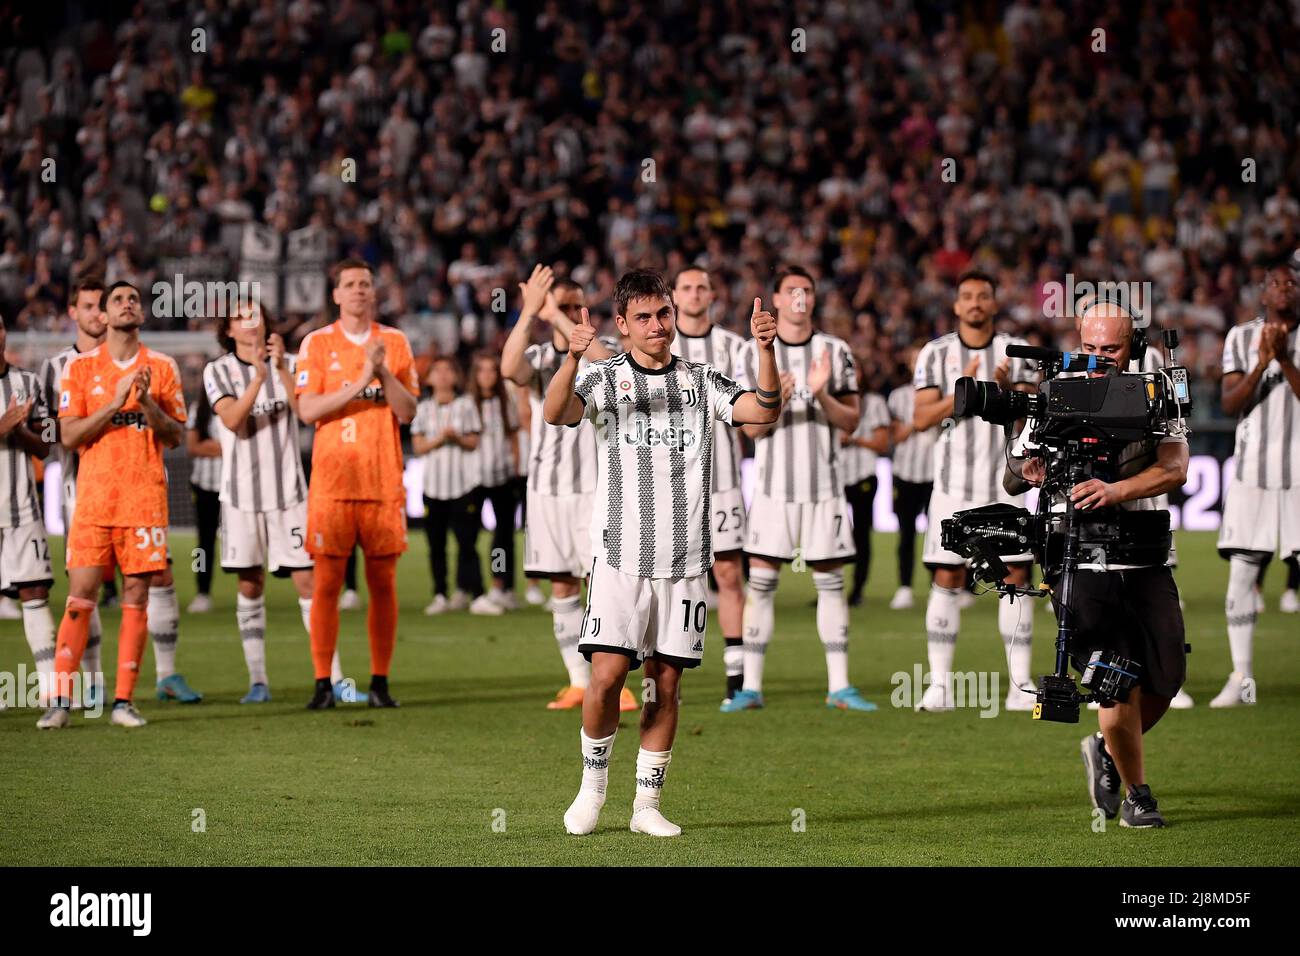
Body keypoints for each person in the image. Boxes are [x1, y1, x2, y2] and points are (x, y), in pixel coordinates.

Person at [544, 270, 780, 836]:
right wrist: (571, 359)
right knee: (604, 676)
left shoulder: (700, 380)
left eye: (664, 315)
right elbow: (556, 413)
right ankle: (592, 789)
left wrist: (766, 352)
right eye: (644, 318)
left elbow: (764, 412)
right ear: (622, 326)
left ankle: (646, 805)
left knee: (664, 684)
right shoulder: (603, 377)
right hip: (620, 558)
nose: (657, 326)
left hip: (685, 565)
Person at [1014, 301, 1189, 827]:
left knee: (1167, 677)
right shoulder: (1055, 387)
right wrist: (1030, 470)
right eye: (1089, 347)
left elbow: (1175, 467)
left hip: (1146, 553)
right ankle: (1139, 796)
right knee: (1113, 678)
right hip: (1079, 553)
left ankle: (1106, 749)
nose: (1097, 358)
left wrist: (1115, 490)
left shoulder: (1160, 386)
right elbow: (1012, 476)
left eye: (1109, 349)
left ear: (1132, 345)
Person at [724, 265, 877, 713]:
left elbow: (852, 421)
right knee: (763, 585)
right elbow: (749, 432)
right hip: (773, 490)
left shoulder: (836, 350)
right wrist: (781, 399)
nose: (800, 298)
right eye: (791, 290)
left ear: (814, 298)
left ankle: (840, 686)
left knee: (831, 585)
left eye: (806, 290)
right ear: (776, 297)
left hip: (825, 489)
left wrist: (822, 394)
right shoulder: (753, 354)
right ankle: (750, 687)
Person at [38, 281, 188, 729]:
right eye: (118, 300)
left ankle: (123, 702)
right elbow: (69, 435)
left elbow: (176, 435)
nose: (128, 304)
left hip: (144, 500)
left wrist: (145, 404)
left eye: (133, 299)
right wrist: (115, 399)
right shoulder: (79, 370)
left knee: (137, 596)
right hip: (94, 500)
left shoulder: (163, 367)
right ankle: (61, 702)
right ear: (103, 315)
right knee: (79, 597)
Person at [501, 264, 636, 712]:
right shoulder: (541, 357)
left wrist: (555, 314)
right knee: (562, 585)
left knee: (605, 584)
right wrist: (527, 315)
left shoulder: (610, 348)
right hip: (546, 488)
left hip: (599, 488)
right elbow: (508, 369)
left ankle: (613, 680)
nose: (575, 312)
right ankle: (578, 682)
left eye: (580, 305)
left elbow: (607, 367)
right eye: (565, 306)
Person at [205, 302, 349, 703]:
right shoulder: (216, 370)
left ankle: (333, 677)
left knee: (310, 583)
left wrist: (279, 370)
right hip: (240, 497)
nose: (251, 324)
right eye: (241, 318)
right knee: (250, 583)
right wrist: (257, 379)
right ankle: (258, 681)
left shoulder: (292, 360)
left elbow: (304, 412)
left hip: (289, 495)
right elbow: (232, 419)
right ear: (229, 330)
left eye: (257, 316)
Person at [912, 270, 1039, 712]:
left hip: (1006, 483)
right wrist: (965, 394)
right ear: (956, 305)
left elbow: (1034, 413)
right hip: (951, 487)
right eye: (967, 296)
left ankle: (1020, 685)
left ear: (994, 302)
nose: (975, 303)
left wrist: (1004, 393)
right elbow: (921, 418)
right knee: (947, 578)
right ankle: (940, 685)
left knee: (1016, 578)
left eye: (983, 295)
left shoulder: (1016, 352)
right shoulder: (935, 353)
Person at [296, 259, 418, 710]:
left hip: (383, 482)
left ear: (374, 292)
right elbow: (307, 411)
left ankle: (380, 682)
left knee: (382, 583)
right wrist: (361, 381)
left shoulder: (396, 343)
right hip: (331, 484)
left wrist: (383, 374)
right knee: (326, 584)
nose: (359, 291)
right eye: (349, 284)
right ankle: (323, 682)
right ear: (336, 295)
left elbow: (408, 411)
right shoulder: (316, 343)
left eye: (366, 284)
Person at [1212, 261, 1300, 707]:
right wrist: (1262, 364)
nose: (1284, 289)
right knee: (1242, 577)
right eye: (1276, 283)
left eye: (1291, 283)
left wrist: (1284, 359)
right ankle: (1242, 679)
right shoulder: (1240, 338)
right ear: (1262, 294)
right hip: (1253, 476)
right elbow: (1229, 403)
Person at [668, 265, 750, 703]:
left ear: (713, 295)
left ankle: (736, 680)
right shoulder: (659, 342)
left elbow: (750, 412)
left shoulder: (735, 347)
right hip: (668, 486)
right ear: (675, 296)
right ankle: (666, 681)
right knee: (670, 578)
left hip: (722, 482)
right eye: (687, 287)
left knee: (728, 575)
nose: (695, 294)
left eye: (703, 287)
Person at [37, 278, 110, 699]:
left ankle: (168, 675)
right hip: (76, 491)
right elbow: (49, 431)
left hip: (128, 488)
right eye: (88, 306)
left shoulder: (129, 360)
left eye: (102, 305)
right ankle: (95, 682)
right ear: (73, 312)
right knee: (84, 583)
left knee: (154, 579)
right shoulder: (55, 367)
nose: (97, 313)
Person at [411, 355, 500, 616]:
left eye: (447, 370)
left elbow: (474, 442)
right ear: (429, 379)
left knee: (468, 543)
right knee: (436, 546)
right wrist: (441, 437)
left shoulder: (466, 405)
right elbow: (418, 447)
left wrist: (457, 438)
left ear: (455, 376)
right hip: (433, 488)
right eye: (436, 371)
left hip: (462, 486)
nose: (442, 376)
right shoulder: (423, 408)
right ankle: (440, 594)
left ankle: (478, 594)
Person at [0, 311, 56, 703]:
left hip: (21, 508)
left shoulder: (29, 382)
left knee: (35, 591)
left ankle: (52, 691)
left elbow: (46, 444)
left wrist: (21, 430)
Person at [468, 350, 523, 609]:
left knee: (503, 535)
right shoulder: (467, 404)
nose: (487, 375)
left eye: (492, 370)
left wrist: (515, 465)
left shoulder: (505, 403)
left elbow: (513, 438)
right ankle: (468, 587)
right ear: (475, 375)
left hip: (502, 477)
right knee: (468, 535)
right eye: (483, 370)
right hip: (475, 478)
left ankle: (503, 586)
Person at [885, 343, 936, 610]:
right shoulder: (897, 397)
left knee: (937, 536)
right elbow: (896, 436)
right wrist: (919, 421)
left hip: (935, 475)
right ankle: (904, 588)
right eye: (915, 360)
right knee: (905, 536)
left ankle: (939, 587)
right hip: (905, 473)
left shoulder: (942, 395)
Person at [840, 371, 891, 607]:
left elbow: (881, 443)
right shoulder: (833, 399)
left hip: (863, 476)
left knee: (861, 534)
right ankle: (832, 588)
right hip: (836, 476)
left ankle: (858, 588)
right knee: (834, 534)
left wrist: (852, 440)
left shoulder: (875, 403)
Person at [185, 391, 222, 614]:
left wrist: (210, 446)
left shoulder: (240, 402)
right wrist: (225, 448)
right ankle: (202, 591)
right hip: (205, 485)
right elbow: (193, 446)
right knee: (203, 544)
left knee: (243, 540)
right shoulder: (199, 409)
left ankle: (247, 591)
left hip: (236, 485)